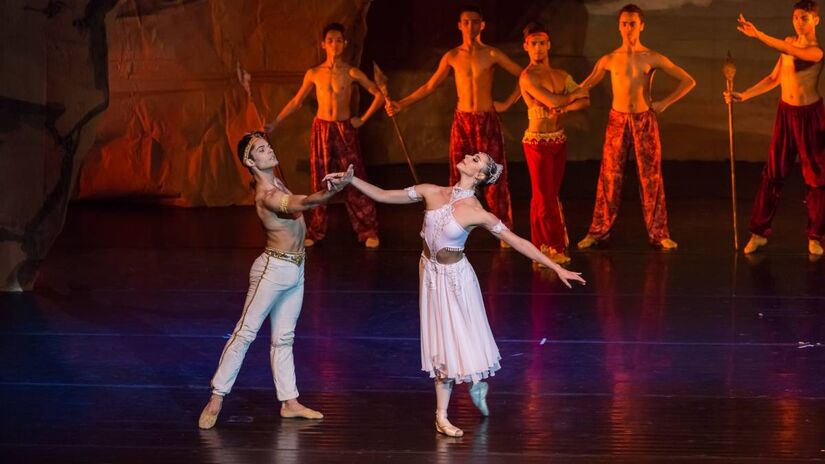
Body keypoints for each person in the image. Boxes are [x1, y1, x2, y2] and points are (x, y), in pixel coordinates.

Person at [323, 153, 586, 437]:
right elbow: (385, 195)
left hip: (456, 281)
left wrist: (556, 267)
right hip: (430, 276)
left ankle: (455, 404)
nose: (466, 157)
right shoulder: (431, 191)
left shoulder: (477, 212)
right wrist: (352, 180)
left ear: (480, 176)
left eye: (475, 159)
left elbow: (517, 241)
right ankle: (454, 405)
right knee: (441, 344)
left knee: (458, 341)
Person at [198, 132, 353, 429]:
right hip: (273, 270)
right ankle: (217, 397)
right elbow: (302, 204)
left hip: (296, 268)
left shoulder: (277, 182)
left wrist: (333, 190)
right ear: (249, 161)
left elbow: (303, 202)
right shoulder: (266, 195)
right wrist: (332, 192)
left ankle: (289, 401)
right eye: (261, 149)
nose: (269, 150)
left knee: (284, 337)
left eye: (268, 145)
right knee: (246, 332)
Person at [385, 5, 522, 246]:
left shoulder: (491, 54)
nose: (470, 26)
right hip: (463, 120)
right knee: (458, 174)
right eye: (466, 22)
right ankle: (452, 224)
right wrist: (401, 104)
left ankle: (503, 229)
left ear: (482, 25)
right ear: (460, 26)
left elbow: (525, 76)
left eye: (475, 22)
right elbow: (430, 86)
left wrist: (508, 103)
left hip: (487, 118)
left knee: (494, 175)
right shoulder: (452, 56)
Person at [577, 3, 695, 250]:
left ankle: (659, 232)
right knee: (609, 176)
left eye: (632, 23)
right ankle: (598, 231)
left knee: (651, 178)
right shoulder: (609, 59)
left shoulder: (651, 57)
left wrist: (665, 102)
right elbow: (584, 86)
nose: (628, 28)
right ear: (619, 26)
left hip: (644, 120)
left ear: (641, 26)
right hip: (617, 120)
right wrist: (557, 99)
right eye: (624, 23)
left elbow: (688, 81)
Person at [266, 23, 383, 248]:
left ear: (345, 44)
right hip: (322, 129)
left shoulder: (350, 72)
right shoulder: (314, 73)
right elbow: (296, 101)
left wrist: (362, 119)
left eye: (339, 40)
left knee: (354, 178)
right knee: (320, 179)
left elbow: (378, 95)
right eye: (330, 40)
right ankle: (316, 229)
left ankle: (368, 229)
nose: (334, 44)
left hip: (344, 129)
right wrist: (275, 123)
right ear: (323, 44)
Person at [725, 1, 825, 256]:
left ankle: (816, 235)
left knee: (816, 177)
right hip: (786, 113)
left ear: (816, 20)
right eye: (795, 17)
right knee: (773, 172)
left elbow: (786, 48)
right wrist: (745, 95)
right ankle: (758, 232)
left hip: (809, 116)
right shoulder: (788, 41)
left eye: (804, 18)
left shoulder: (816, 52)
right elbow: (774, 78)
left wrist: (758, 34)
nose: (798, 22)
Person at [518, 21, 590, 264]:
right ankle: (550, 248)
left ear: (548, 45)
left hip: (558, 139)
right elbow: (553, 101)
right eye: (533, 44)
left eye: (541, 43)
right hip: (536, 142)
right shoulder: (527, 76)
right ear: (526, 47)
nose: (538, 48)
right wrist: (568, 100)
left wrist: (565, 105)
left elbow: (585, 99)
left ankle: (545, 246)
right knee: (543, 197)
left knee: (550, 195)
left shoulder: (561, 75)